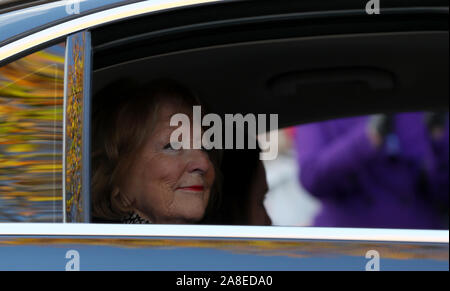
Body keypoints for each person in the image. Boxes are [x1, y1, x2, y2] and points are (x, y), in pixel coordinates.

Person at [91, 79, 221, 224]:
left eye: (204, 147)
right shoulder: (108, 246)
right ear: (113, 175)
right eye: (172, 146)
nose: (204, 163)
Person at [295, 112, 449, 229]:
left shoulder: (417, 108)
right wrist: (368, 137)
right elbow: (312, 177)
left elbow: (442, 191)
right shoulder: (321, 108)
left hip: (419, 246)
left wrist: (438, 140)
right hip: (350, 245)